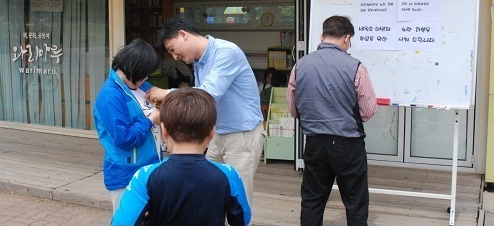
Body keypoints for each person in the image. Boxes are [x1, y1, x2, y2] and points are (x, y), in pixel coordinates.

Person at [146, 17, 264, 207]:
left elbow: (207, 95)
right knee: (206, 187)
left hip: (241, 135)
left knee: (238, 197)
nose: (174, 57)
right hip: (216, 134)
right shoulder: (199, 61)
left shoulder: (226, 52)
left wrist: (167, 94)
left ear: (183, 35)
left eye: (172, 49)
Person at [112, 88, 252, 226]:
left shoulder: (145, 176)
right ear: (212, 132)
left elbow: (121, 223)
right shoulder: (228, 175)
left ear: (164, 130)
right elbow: (242, 219)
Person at [286, 15, 378, 226]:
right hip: (348, 143)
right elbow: (369, 109)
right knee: (355, 201)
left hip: (315, 142)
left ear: (322, 36)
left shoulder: (300, 66)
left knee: (312, 199)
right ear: (346, 38)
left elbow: (293, 107)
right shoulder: (356, 67)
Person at [93, 39, 162, 213]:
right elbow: (124, 138)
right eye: (144, 73)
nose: (146, 78)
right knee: (128, 219)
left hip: (150, 165)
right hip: (125, 173)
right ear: (133, 68)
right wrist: (150, 120)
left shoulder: (141, 86)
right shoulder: (110, 95)